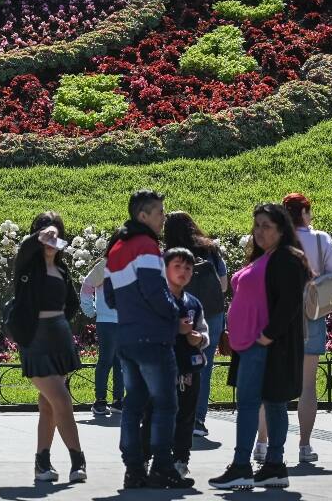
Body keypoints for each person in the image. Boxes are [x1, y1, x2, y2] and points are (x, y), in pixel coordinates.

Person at [209, 204, 308, 490]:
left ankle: (242, 466)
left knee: (253, 404)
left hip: (263, 345)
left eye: (266, 226)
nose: (259, 231)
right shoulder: (266, 257)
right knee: (271, 404)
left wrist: (266, 336)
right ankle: (274, 467)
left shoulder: (286, 259)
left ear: (281, 229)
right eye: (256, 225)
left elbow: (290, 303)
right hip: (253, 344)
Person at [105, 189, 194, 490]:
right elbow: (155, 291)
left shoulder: (116, 247)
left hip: (127, 336)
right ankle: (163, 468)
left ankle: (134, 470)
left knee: (134, 404)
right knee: (166, 405)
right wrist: (175, 312)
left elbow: (109, 295)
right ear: (143, 215)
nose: (163, 218)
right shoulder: (146, 246)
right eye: (159, 213)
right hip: (152, 337)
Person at [253, 193, 332, 464]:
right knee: (307, 385)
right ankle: (304, 445)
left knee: (270, 382)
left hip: (275, 315)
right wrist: (310, 287)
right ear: (305, 212)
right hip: (310, 314)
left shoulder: (275, 240)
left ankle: (262, 443)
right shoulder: (320, 239)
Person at [12, 212, 86, 483]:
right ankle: (78, 459)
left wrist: (60, 322)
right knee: (62, 398)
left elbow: (73, 304)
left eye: (55, 235)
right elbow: (26, 247)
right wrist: (42, 234)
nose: (50, 239)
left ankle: (42, 462)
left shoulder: (62, 270)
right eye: (44, 234)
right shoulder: (26, 267)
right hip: (35, 339)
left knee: (48, 404)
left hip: (60, 338)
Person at [140, 248, 209, 479]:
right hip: (160, 368)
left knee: (186, 415)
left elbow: (203, 332)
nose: (183, 272)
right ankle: (147, 458)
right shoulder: (155, 299)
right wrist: (174, 329)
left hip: (188, 368)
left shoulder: (193, 303)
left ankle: (181, 459)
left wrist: (197, 338)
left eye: (188, 268)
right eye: (177, 266)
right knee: (154, 413)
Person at [162, 211, 227, 438]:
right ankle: (197, 420)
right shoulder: (210, 250)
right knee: (203, 367)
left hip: (181, 315)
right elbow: (224, 285)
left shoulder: (168, 255)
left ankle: (176, 416)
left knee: (174, 364)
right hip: (212, 314)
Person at [79, 257, 123, 416]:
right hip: (113, 320)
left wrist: (90, 310)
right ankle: (113, 401)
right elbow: (87, 285)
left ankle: (104, 401)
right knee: (113, 362)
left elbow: (86, 286)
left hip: (109, 320)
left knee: (111, 362)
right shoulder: (106, 265)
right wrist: (90, 309)